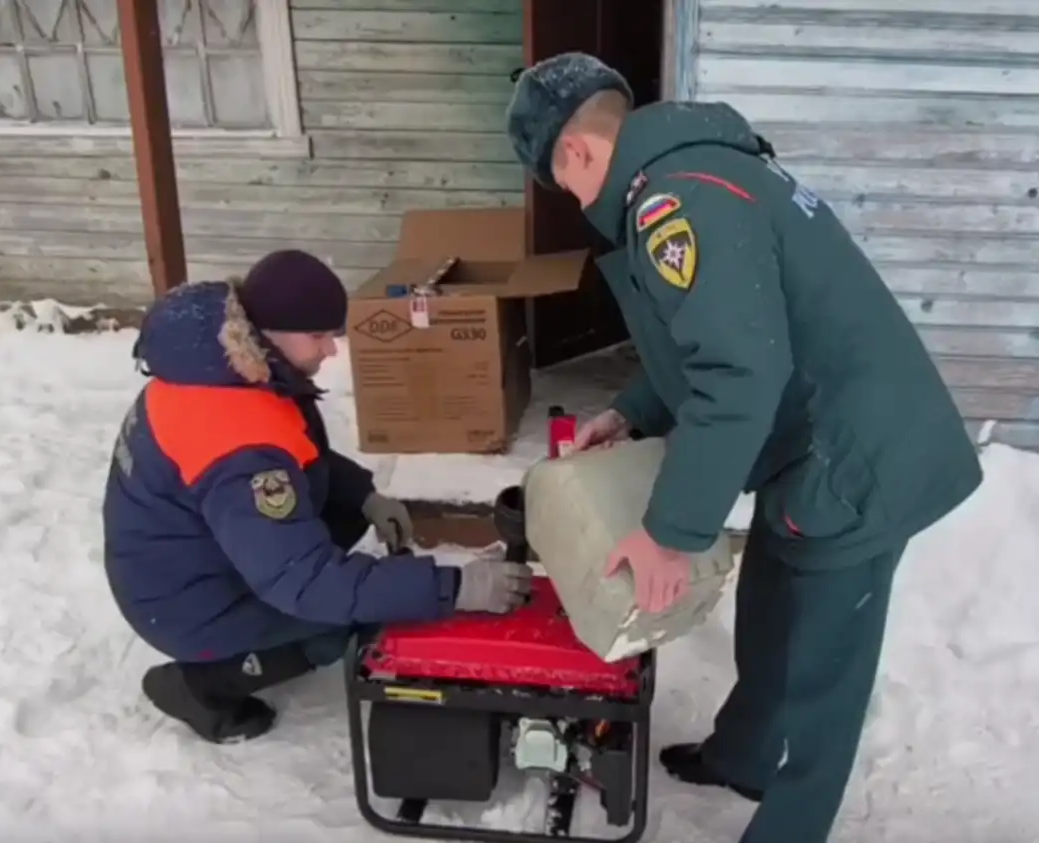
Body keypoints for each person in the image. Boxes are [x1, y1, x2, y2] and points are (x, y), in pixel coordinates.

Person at [505, 53, 982, 843]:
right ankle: (746, 753)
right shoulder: (695, 173)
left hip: (859, 459)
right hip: (812, 446)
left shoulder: (677, 201)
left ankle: (787, 825)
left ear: (579, 152)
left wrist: (670, 534)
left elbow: (737, 374)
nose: (579, 204)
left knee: (825, 669)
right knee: (768, 610)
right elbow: (718, 339)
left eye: (567, 186)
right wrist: (631, 411)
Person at [101, 250, 532, 743]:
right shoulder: (237, 439)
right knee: (341, 622)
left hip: (181, 556)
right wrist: (455, 588)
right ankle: (198, 685)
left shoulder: (220, 363)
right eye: (318, 336)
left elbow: (296, 453)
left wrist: (365, 496)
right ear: (271, 328)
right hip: (186, 604)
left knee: (339, 546)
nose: (330, 351)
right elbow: (305, 583)